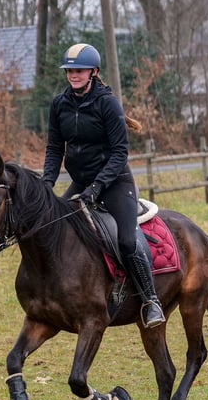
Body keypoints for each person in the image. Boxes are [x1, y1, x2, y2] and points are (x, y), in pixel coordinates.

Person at [41, 43, 165, 328]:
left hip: (115, 182)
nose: (73, 75)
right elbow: (53, 148)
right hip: (82, 183)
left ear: (93, 72)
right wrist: (47, 183)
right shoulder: (59, 104)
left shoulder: (107, 103)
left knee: (126, 240)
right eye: (70, 70)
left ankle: (150, 300)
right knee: (55, 226)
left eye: (79, 70)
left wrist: (98, 186)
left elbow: (120, 151)